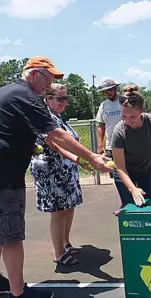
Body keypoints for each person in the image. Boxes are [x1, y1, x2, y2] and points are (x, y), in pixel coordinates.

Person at [0, 56, 112, 298]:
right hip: (5, 178)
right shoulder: (27, 96)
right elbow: (56, 135)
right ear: (32, 74)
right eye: (46, 79)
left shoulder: (7, 93)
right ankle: (19, 293)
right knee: (10, 236)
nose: (47, 85)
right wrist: (93, 157)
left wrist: (21, 145)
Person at [30, 84, 90, 266]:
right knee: (58, 213)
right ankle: (59, 254)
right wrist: (80, 158)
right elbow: (56, 144)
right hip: (51, 170)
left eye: (65, 98)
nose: (64, 102)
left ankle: (65, 243)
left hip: (65, 170)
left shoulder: (59, 118)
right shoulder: (45, 117)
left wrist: (78, 159)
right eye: (60, 99)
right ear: (48, 99)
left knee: (68, 208)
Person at [111, 90, 151, 208]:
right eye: (123, 116)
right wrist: (133, 189)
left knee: (150, 207)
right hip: (125, 173)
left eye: (132, 117)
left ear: (141, 111)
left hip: (146, 170)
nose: (127, 121)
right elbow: (120, 168)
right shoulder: (118, 132)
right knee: (130, 208)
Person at [96, 79, 122, 193]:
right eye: (105, 92)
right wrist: (100, 145)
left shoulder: (123, 101)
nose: (107, 93)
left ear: (115, 89)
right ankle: (125, 201)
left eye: (109, 90)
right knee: (116, 176)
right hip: (110, 146)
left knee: (129, 173)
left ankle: (133, 200)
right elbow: (101, 125)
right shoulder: (103, 105)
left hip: (126, 144)